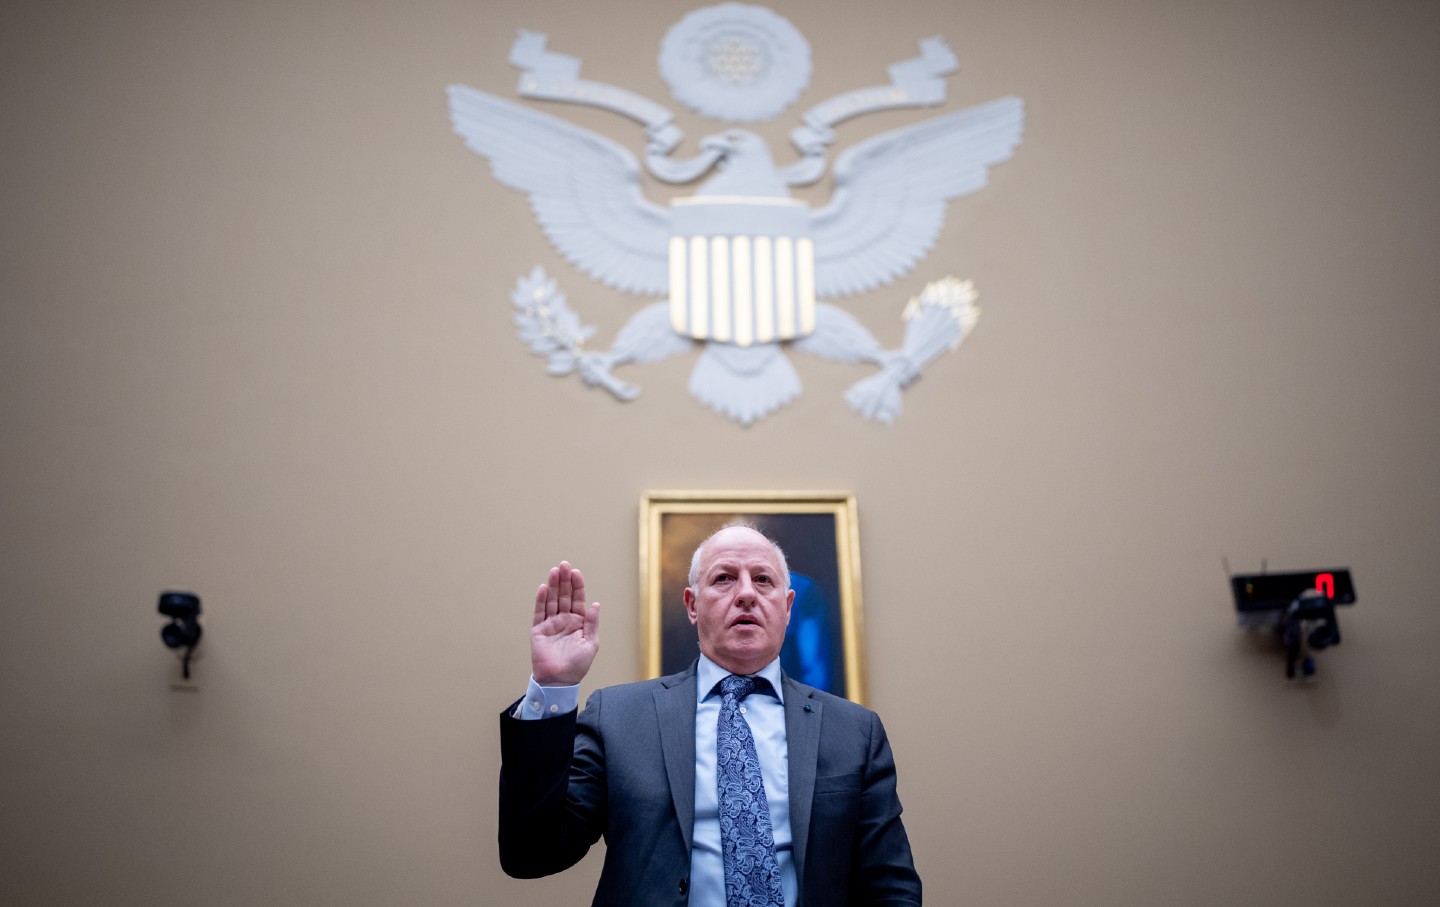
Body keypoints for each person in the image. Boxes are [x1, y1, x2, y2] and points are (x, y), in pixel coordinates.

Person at [498, 525, 922, 906]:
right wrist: (553, 688)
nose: (746, 593)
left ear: (788, 606)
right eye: (723, 578)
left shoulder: (854, 731)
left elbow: (891, 888)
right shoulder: (619, 717)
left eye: (763, 580)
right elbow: (530, 854)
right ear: (692, 605)